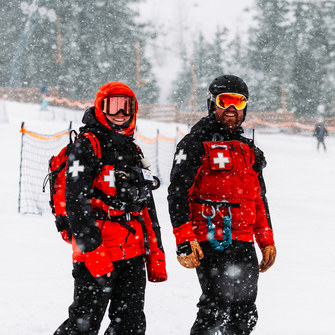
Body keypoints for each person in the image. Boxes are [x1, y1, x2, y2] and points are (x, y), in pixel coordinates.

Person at [54, 82, 167, 335]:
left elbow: (147, 206)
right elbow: (76, 204)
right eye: (113, 106)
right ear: (100, 107)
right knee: (84, 323)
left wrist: (155, 253)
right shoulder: (87, 145)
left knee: (130, 324)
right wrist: (93, 252)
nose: (120, 113)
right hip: (98, 251)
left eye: (125, 107)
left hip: (133, 250)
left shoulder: (132, 148)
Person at [168, 75, 276, 334]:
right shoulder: (194, 143)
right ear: (212, 103)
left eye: (238, 102)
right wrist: (184, 238)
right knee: (215, 309)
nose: (231, 108)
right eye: (224, 100)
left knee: (245, 312)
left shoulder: (248, 149)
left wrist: (266, 239)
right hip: (209, 239)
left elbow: (258, 198)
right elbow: (177, 193)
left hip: (243, 241)